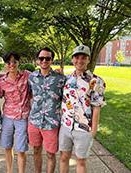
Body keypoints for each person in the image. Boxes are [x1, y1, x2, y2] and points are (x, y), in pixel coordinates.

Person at [59, 45, 106, 173]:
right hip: (66, 126)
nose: (80, 60)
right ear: (72, 59)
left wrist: (93, 130)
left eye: (83, 57)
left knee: (81, 161)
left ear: (88, 60)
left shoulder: (96, 81)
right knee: (63, 157)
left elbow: (97, 106)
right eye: (77, 57)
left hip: (84, 128)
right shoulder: (66, 79)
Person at [28, 47, 66, 173]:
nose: (44, 60)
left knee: (50, 154)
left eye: (47, 58)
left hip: (51, 123)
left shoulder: (60, 79)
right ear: (37, 60)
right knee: (36, 150)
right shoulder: (32, 77)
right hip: (35, 121)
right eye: (41, 58)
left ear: (52, 60)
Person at [0, 52, 31, 173]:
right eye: (9, 62)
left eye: (14, 62)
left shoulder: (27, 75)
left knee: (21, 149)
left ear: (18, 63)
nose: (12, 64)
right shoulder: (2, 81)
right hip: (7, 117)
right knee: (7, 147)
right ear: (6, 64)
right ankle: (9, 171)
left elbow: (40, 78)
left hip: (22, 117)